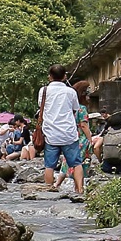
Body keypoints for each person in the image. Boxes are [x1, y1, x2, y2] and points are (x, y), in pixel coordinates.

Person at [36, 64, 84, 196]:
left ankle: (49, 191)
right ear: (65, 77)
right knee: (76, 163)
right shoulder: (71, 91)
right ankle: (80, 190)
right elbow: (75, 108)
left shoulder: (43, 91)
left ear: (49, 77)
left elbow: (41, 106)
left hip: (51, 133)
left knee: (49, 165)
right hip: (68, 133)